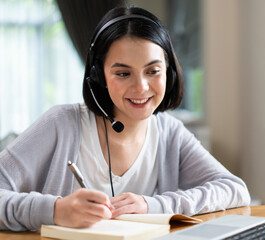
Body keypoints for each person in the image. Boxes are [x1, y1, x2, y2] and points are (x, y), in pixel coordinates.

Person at [0, 5, 250, 231]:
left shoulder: (169, 132)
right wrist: (55, 210)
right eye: (122, 73)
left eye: (153, 71)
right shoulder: (61, 124)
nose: (141, 87)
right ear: (99, 77)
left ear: (169, 74)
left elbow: (234, 189)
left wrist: (151, 206)